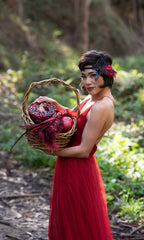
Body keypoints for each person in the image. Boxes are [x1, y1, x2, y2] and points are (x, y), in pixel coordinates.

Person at [35, 50, 116, 240]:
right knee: (68, 221)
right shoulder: (92, 98)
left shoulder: (102, 106)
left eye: (92, 76)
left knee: (78, 225)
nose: (86, 82)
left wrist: (51, 150)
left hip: (78, 169)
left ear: (107, 75)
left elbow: (83, 150)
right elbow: (74, 118)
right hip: (67, 163)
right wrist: (56, 106)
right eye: (83, 76)